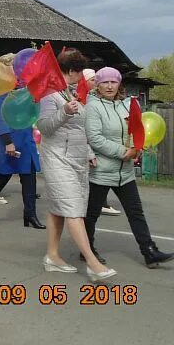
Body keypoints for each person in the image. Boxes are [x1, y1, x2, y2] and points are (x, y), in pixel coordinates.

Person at [37, 50, 116, 281]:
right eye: (79, 72)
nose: (81, 77)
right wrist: (64, 111)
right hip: (57, 158)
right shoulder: (49, 95)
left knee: (58, 209)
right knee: (72, 209)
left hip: (76, 158)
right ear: (71, 71)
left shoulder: (70, 91)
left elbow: (79, 128)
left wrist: (89, 152)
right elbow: (44, 127)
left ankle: (52, 255)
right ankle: (92, 262)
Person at [85, 67, 173, 269]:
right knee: (92, 214)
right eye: (104, 82)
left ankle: (149, 251)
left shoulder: (127, 105)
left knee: (136, 212)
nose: (109, 86)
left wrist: (137, 147)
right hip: (101, 170)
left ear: (119, 84)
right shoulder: (93, 107)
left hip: (125, 172)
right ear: (97, 85)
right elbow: (95, 138)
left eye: (113, 82)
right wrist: (123, 151)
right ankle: (87, 250)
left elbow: (135, 129)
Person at [0, 54, 44, 229]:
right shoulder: (0, 87)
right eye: (15, 65)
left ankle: (30, 214)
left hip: (25, 137)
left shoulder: (25, 86)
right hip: (9, 138)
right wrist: (7, 142)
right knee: (3, 176)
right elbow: (0, 117)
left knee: (29, 175)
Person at [82, 68, 122, 217]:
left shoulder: (118, 103)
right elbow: (90, 135)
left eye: (113, 82)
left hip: (113, 160)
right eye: (92, 80)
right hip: (95, 155)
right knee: (94, 193)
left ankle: (100, 205)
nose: (109, 86)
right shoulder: (88, 103)